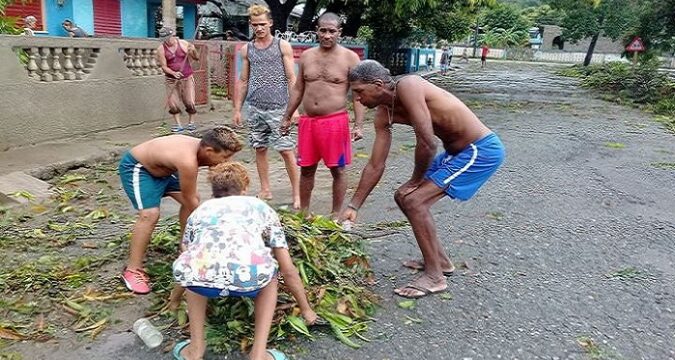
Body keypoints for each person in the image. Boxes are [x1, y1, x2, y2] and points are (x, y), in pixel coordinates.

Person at [341, 60, 505, 299]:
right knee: (403, 196)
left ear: (377, 85)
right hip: (457, 153)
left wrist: (416, 180)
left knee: (415, 199)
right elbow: (376, 164)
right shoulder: (383, 114)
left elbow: (428, 142)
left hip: (480, 150)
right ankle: (440, 262)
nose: (356, 99)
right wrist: (353, 205)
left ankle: (435, 277)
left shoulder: (409, 86)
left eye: (358, 92)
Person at [172, 162, 320, 360]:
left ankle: (195, 349)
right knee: (271, 278)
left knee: (197, 267)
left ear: (214, 191)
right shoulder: (262, 208)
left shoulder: (199, 212)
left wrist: (174, 299)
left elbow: (187, 256)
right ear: (244, 189)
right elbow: (288, 269)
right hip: (251, 281)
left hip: (202, 284)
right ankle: (259, 354)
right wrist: (307, 310)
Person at [118, 127, 243, 294]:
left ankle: (186, 246)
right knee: (150, 214)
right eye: (226, 156)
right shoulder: (187, 161)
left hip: (165, 171)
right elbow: (191, 202)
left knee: (193, 199)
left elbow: (197, 196)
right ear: (209, 150)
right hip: (140, 169)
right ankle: (132, 270)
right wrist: (213, 228)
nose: (228, 160)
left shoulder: (201, 152)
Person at [280, 12, 366, 218]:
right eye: (323, 30)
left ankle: (336, 214)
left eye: (332, 31)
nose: (327, 35)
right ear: (317, 31)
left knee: (338, 169)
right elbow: (299, 88)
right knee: (307, 169)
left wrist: (359, 124)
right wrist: (287, 116)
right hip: (308, 123)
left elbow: (358, 95)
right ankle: (304, 213)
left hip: (335, 122)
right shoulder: (308, 56)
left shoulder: (350, 58)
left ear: (340, 33)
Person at [233, 4, 301, 209]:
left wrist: (294, 108)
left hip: (279, 108)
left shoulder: (282, 46)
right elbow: (243, 81)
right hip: (255, 108)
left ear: (270, 23)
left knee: (286, 150)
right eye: (255, 25)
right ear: (250, 25)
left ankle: (297, 194)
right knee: (259, 148)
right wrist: (237, 109)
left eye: (262, 24)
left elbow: (291, 78)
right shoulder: (247, 50)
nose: (259, 28)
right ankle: (265, 189)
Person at [157, 27, 200, 133]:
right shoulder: (161, 49)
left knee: (189, 101)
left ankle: (191, 123)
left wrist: (193, 50)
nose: (167, 40)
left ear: (172, 35)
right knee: (173, 103)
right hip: (171, 80)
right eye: (164, 39)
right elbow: (164, 66)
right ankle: (178, 124)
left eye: (168, 37)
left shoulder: (184, 44)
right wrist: (173, 73)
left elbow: (196, 58)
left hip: (187, 78)